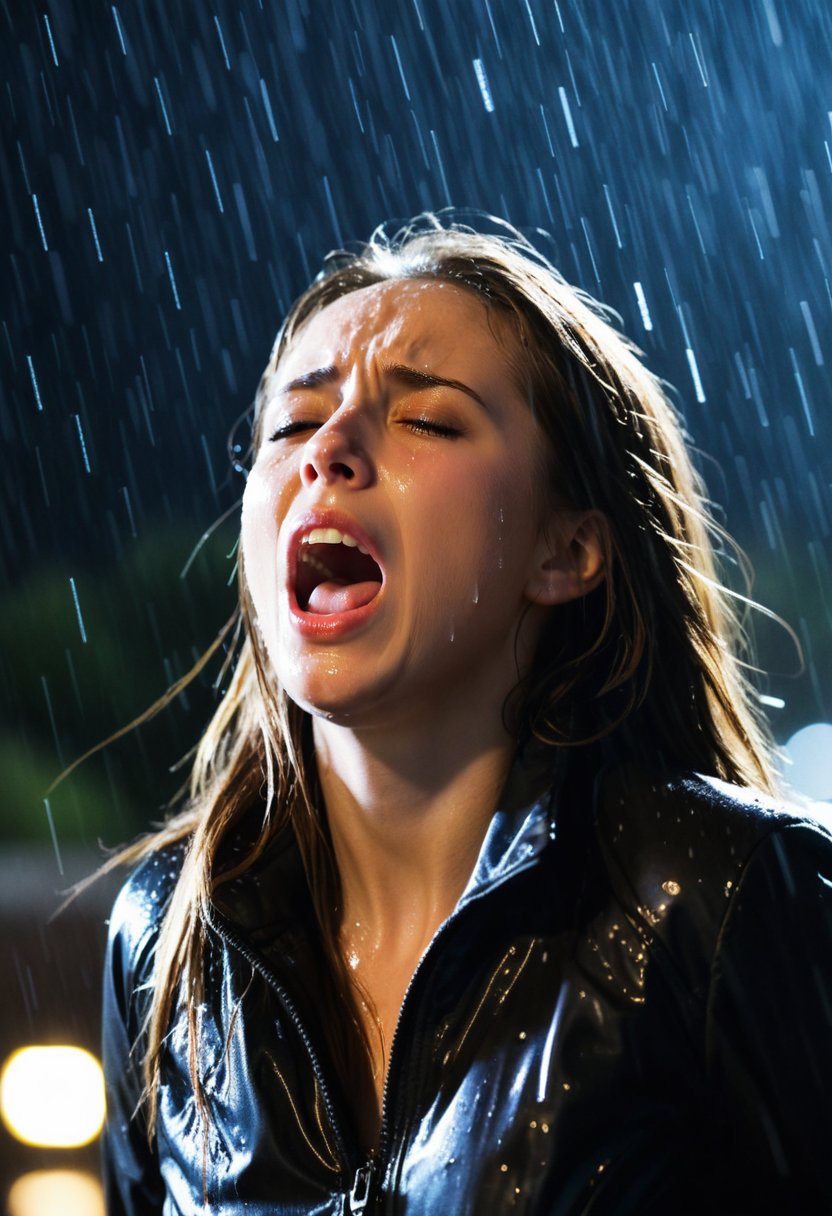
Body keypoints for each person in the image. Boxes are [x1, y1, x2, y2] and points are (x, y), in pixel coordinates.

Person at [101, 215, 832, 1215]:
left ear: (565, 551)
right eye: (291, 423)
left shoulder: (720, 899)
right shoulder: (166, 942)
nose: (330, 450)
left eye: (428, 421)